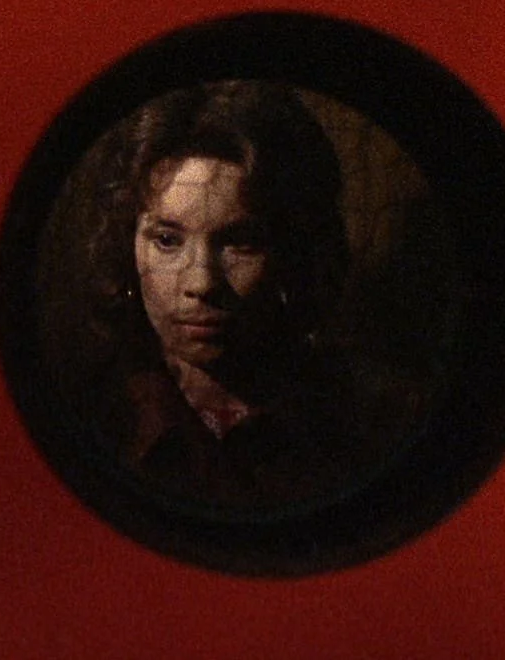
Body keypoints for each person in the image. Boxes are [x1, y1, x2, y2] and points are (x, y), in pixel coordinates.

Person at [51, 80, 371, 510]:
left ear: (294, 250)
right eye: (167, 240)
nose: (201, 283)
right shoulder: (81, 415)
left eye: (242, 242)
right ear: (128, 243)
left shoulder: (361, 419)